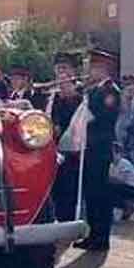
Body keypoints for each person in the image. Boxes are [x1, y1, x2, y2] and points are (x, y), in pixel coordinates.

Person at [74, 48, 122, 252]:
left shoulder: (110, 91)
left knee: (101, 194)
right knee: (91, 194)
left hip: (100, 147)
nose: (89, 71)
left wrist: (86, 116)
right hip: (89, 147)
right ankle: (93, 234)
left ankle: (102, 237)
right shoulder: (94, 90)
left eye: (92, 67)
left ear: (102, 69)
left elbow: (104, 116)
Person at [49, 52, 84, 222]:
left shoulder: (80, 92)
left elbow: (80, 117)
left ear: (72, 71)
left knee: (70, 185)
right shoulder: (53, 93)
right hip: (55, 145)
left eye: (64, 68)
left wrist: (69, 97)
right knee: (56, 184)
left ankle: (68, 219)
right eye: (58, 69)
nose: (61, 72)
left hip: (73, 148)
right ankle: (57, 215)